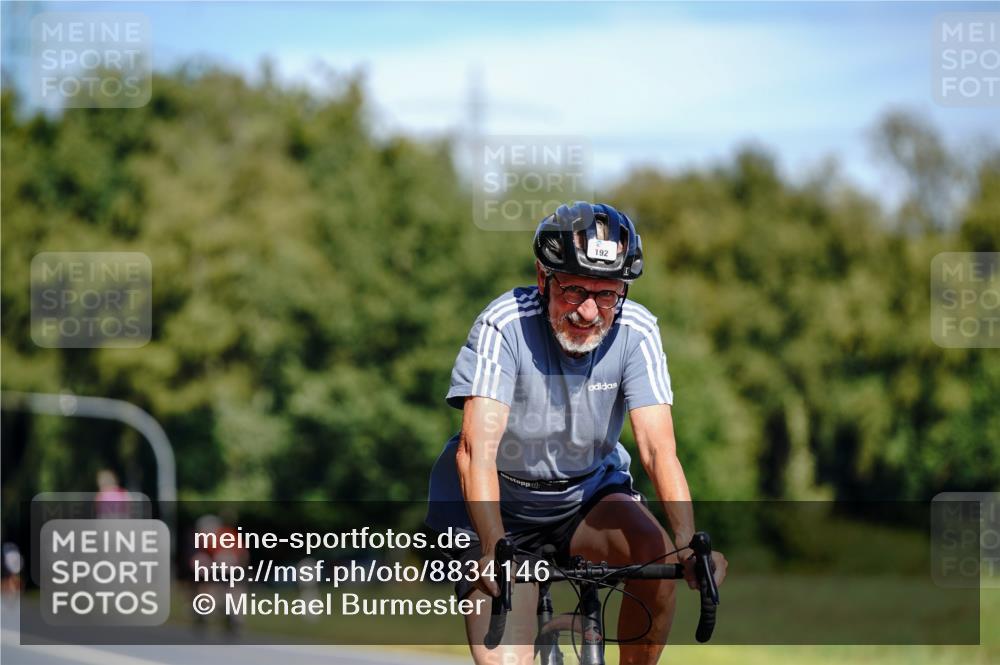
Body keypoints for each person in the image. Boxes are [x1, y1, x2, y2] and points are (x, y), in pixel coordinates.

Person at [426, 202, 727, 665]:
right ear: (543, 277)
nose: (589, 311)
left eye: (607, 295)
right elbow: (475, 452)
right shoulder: (504, 324)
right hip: (496, 506)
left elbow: (658, 451)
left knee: (659, 557)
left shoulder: (638, 331)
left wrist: (689, 544)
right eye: (573, 290)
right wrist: (491, 548)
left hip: (586, 496)